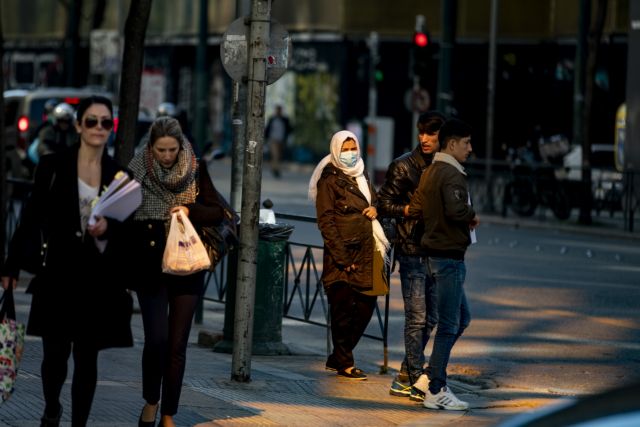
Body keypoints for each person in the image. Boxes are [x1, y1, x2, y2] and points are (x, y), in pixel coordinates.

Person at [1, 95, 134, 426]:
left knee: (87, 359)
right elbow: (30, 216)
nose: (99, 128)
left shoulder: (119, 175)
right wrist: (11, 264)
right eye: (92, 121)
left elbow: (126, 230)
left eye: (106, 122)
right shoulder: (53, 166)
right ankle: (51, 407)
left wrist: (109, 228)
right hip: (57, 273)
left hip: (96, 279)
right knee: (54, 357)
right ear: (78, 125)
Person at [127, 116, 225, 427]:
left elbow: (217, 211)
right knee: (156, 338)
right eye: (161, 150)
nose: (167, 156)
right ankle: (150, 401)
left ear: (180, 145)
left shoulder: (195, 167)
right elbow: (120, 215)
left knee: (177, 344)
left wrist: (189, 210)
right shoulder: (136, 171)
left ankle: (169, 412)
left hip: (187, 265)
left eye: (172, 149)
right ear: (150, 148)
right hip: (150, 266)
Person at [408, 118, 479, 411]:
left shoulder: (431, 171)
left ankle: (427, 377)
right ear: (452, 144)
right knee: (450, 324)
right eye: (466, 143)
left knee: (461, 318)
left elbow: (419, 208)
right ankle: (436, 389)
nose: (470, 149)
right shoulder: (450, 173)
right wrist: (471, 214)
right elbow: (455, 209)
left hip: (435, 255)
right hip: (447, 258)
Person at [308, 130, 390, 380]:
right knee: (342, 310)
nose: (350, 153)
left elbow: (375, 202)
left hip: (369, 250)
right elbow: (326, 221)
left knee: (366, 307)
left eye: (353, 148)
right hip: (342, 256)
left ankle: (337, 357)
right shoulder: (329, 181)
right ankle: (345, 362)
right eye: (345, 149)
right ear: (335, 150)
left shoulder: (363, 175)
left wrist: (376, 209)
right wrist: (343, 258)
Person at [377, 111, 446, 401]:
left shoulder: (445, 166)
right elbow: (384, 204)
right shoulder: (403, 166)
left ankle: (405, 375)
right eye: (422, 133)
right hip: (412, 249)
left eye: (432, 134)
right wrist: (407, 211)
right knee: (416, 317)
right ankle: (417, 380)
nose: (425, 139)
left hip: (437, 250)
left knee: (434, 317)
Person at [264, 104, 292, 178]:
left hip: (281, 140)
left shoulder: (285, 119)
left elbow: (289, 129)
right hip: (273, 140)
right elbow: (267, 130)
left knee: (279, 156)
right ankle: (276, 170)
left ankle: (275, 168)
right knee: (275, 155)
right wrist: (266, 139)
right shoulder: (272, 119)